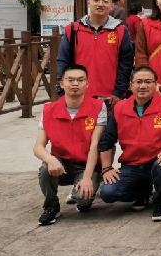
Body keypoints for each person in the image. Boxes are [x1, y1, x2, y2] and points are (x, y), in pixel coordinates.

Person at [98, 66, 161, 222]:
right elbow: (106, 140)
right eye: (138, 82)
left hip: (159, 160)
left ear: (155, 84)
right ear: (131, 85)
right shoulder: (119, 108)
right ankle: (142, 193)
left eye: (148, 82)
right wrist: (106, 168)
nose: (143, 86)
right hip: (131, 165)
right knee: (108, 193)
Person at [33, 64, 107, 225]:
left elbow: (95, 145)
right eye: (70, 80)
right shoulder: (49, 110)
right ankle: (51, 206)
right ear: (62, 83)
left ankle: (82, 189)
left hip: (87, 165)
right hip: (62, 164)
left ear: (87, 84)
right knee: (45, 169)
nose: (75, 84)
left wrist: (87, 178)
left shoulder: (98, 107)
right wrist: (50, 159)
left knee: (83, 201)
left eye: (80, 80)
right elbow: (38, 147)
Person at [56, 0, 134, 103]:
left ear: (112, 6)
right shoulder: (72, 30)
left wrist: (119, 92)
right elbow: (63, 61)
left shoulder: (121, 30)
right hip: (77, 96)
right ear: (89, 2)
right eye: (96, 0)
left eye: (105, 1)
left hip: (110, 99)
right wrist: (62, 90)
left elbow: (126, 64)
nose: (100, 4)